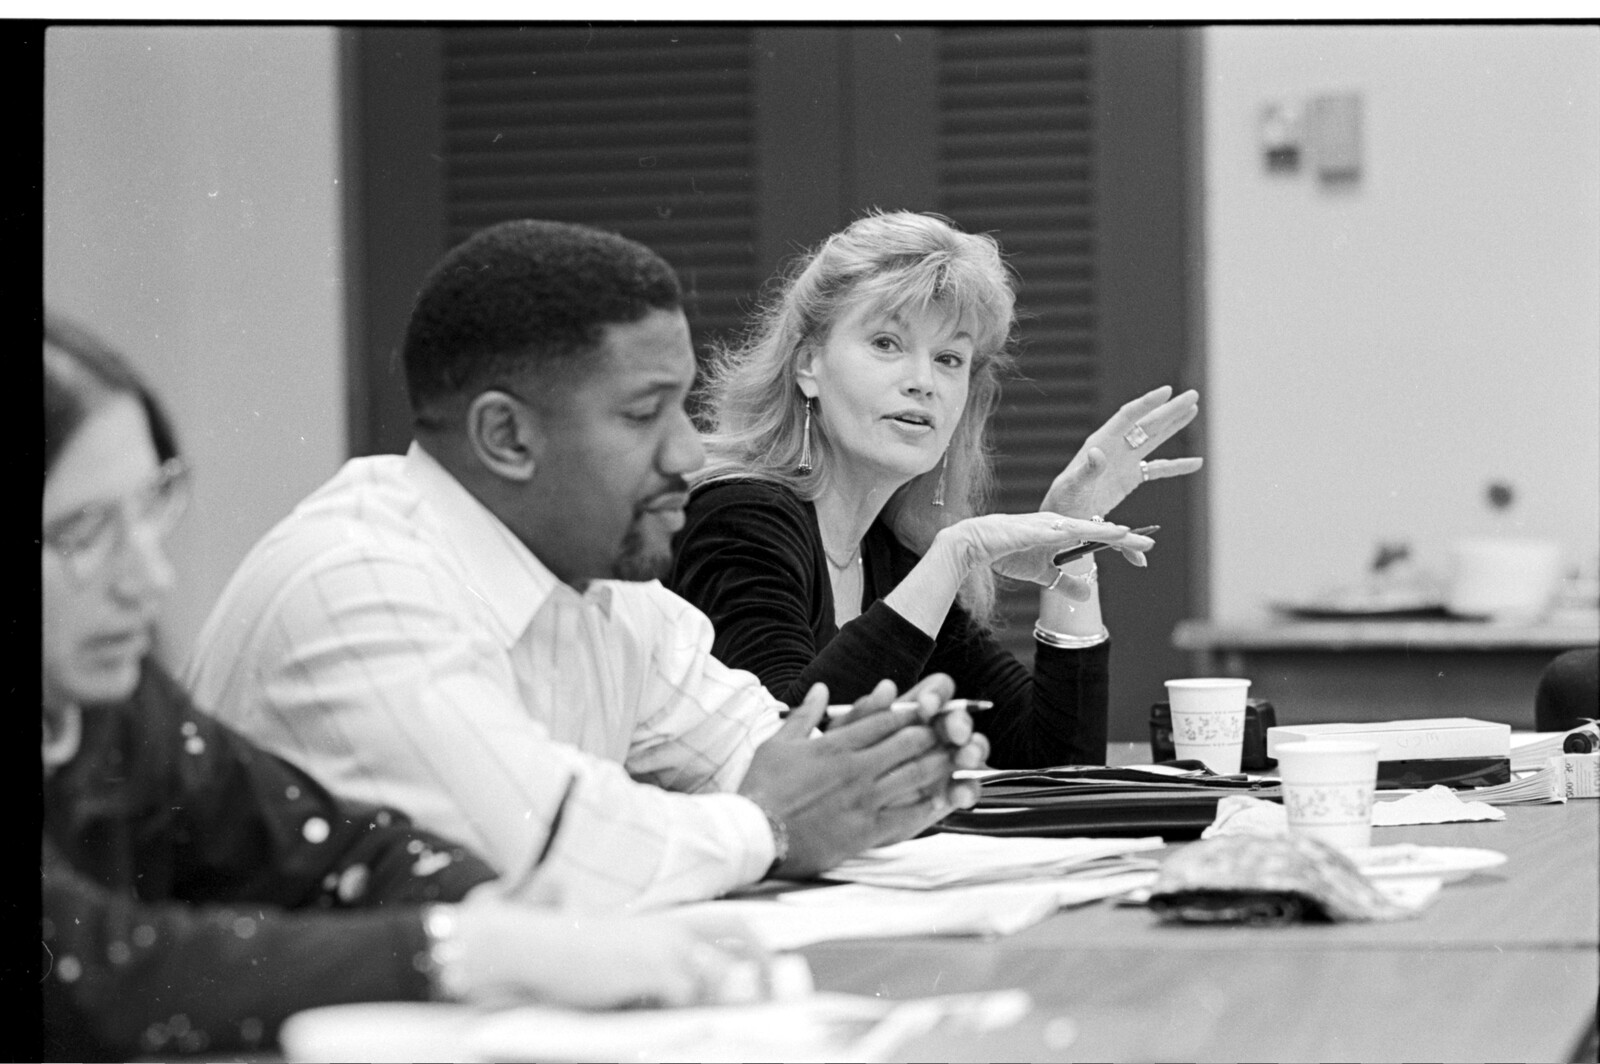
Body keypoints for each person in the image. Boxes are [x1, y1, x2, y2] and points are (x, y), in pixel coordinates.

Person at [187, 219, 983, 915]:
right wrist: (771, 821)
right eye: (643, 414)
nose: (688, 452)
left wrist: (887, 770)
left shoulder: (608, 590)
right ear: (507, 437)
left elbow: (773, 750)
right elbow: (553, 848)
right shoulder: (353, 580)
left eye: (681, 406)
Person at [42, 314, 776, 1061]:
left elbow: (324, 843)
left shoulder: (119, 708)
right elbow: (101, 973)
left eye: (149, 509)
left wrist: (493, 908)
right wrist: (466, 949)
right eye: (82, 533)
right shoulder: (351, 569)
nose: (149, 579)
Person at [669, 211, 1201, 768]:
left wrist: (1075, 548)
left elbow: (1055, 759)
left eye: (949, 358)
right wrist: (954, 556)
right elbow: (784, 750)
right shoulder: (739, 514)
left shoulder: (889, 555)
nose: (923, 380)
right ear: (808, 365)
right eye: (886, 343)